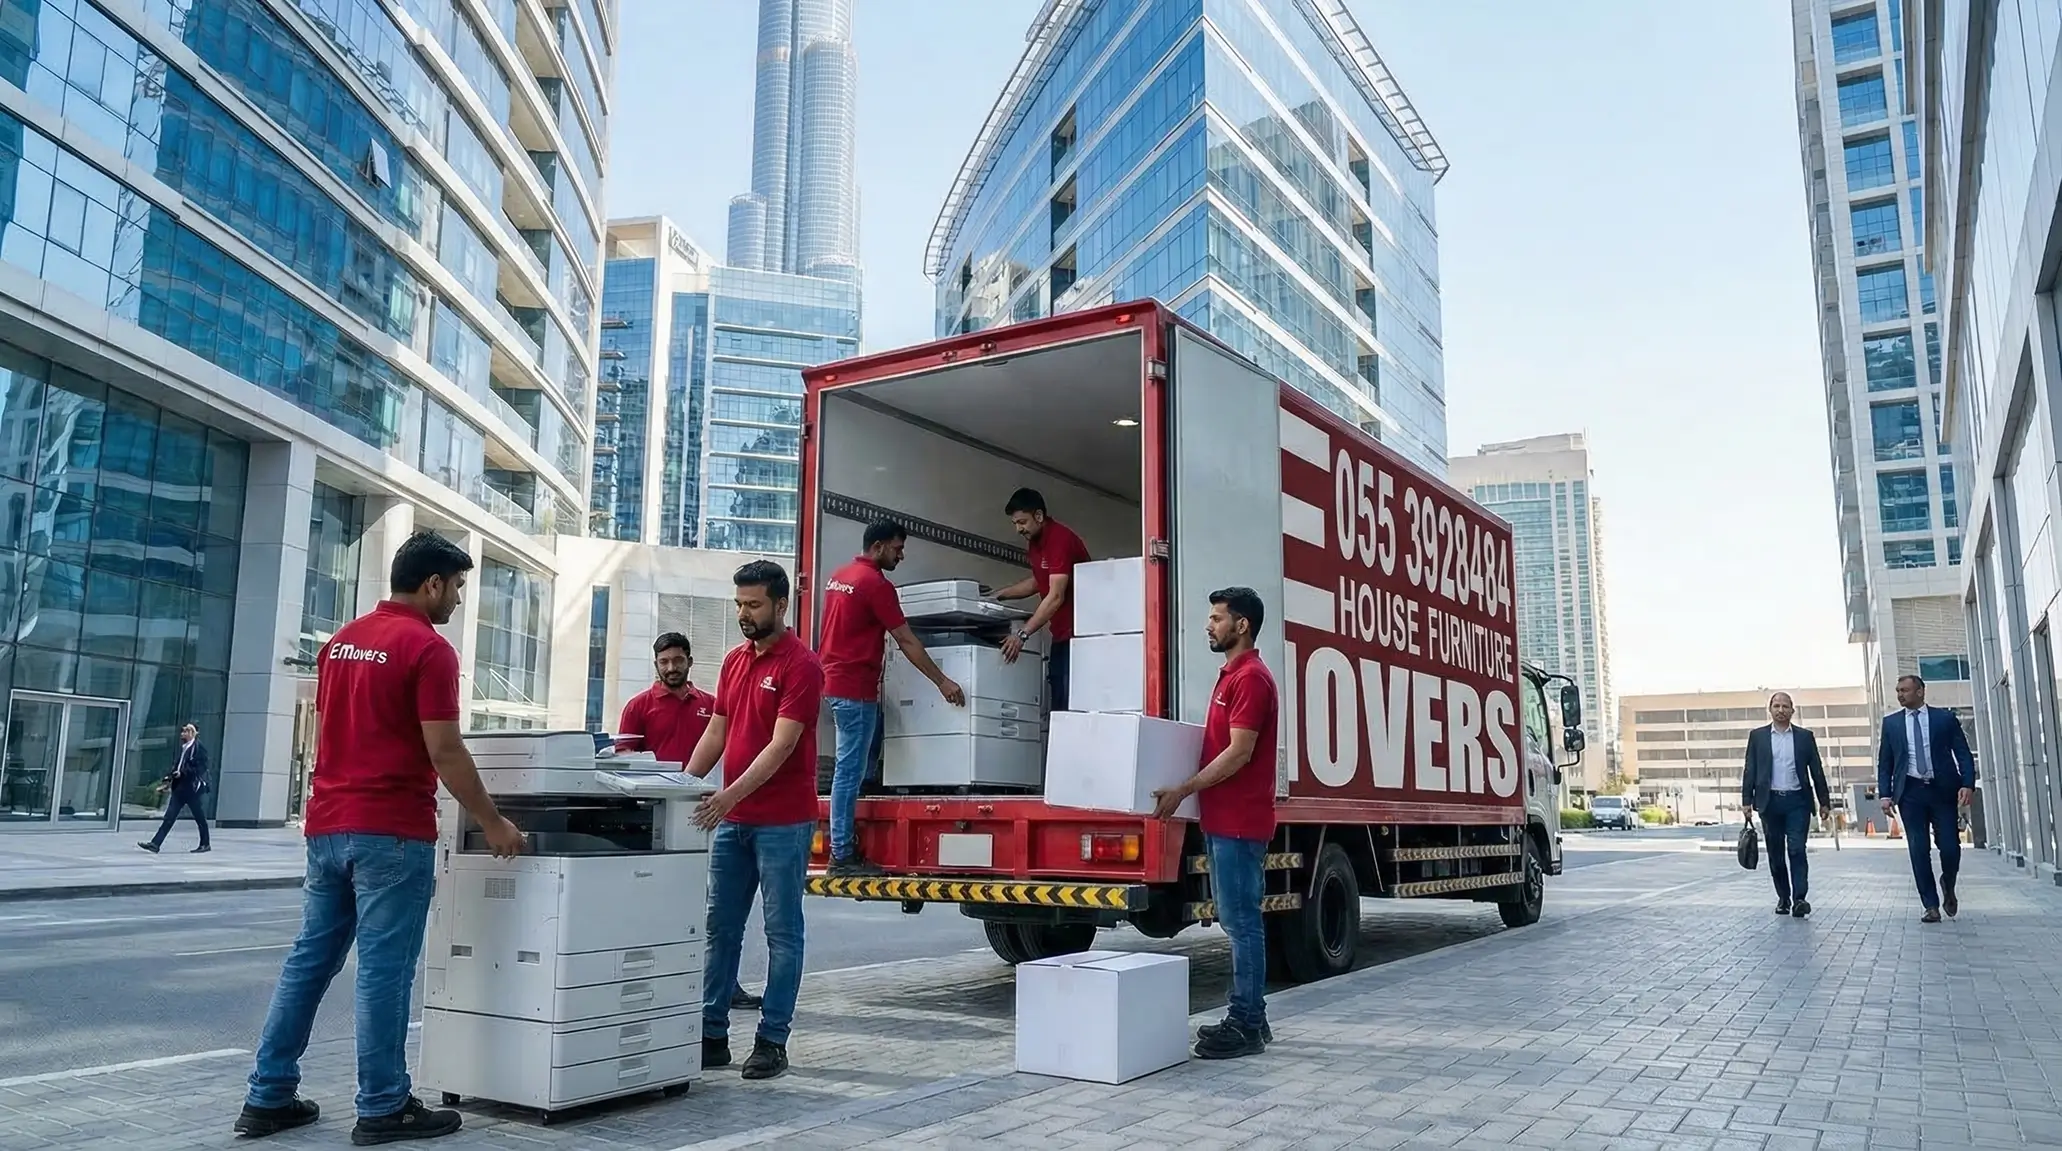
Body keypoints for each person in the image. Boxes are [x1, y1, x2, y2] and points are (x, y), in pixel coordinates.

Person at [235, 532, 527, 1144]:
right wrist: (493, 821)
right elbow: (444, 749)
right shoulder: (428, 648)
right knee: (384, 973)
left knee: (309, 962)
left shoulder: (341, 642)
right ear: (432, 585)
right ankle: (384, 1106)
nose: (457, 600)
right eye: (457, 588)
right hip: (392, 832)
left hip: (328, 826)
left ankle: (267, 1097)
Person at [683, 560, 823, 1082]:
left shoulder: (802, 665)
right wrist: (681, 786)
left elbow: (782, 745)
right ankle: (710, 1034)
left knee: (782, 932)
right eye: (739, 604)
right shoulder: (734, 661)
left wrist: (726, 796)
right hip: (734, 821)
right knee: (720, 928)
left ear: (781, 605)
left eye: (754, 605)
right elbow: (717, 731)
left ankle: (772, 1040)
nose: (744, 614)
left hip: (783, 824)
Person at [1149, 587, 1278, 1059]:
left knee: (1242, 922)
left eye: (1216, 618)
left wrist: (1184, 788)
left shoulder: (1251, 679)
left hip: (1241, 822)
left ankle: (1245, 1023)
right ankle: (1252, 1020)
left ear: (1241, 625)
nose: (1209, 625)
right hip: (1225, 819)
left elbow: (1240, 752)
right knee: (1236, 919)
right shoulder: (1231, 676)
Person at [616, 634, 761, 1012]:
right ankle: (666, 982)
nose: (671, 668)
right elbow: (626, 764)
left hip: (708, 814)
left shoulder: (711, 707)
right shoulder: (638, 707)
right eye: (664, 662)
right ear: (656, 664)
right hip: (657, 819)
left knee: (716, 903)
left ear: (690, 662)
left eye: (677, 660)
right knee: (659, 903)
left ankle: (723, 984)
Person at [819, 520, 964, 876]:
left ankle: (869, 787)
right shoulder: (876, 585)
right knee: (847, 771)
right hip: (853, 688)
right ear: (880, 546)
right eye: (898, 549)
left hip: (833, 681)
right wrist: (942, 681)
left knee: (876, 732)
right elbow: (908, 641)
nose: (902, 555)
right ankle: (842, 853)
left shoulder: (841, 574)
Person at [1877, 674, 1977, 922]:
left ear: (1921, 691)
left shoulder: (1944, 719)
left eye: (1905, 690)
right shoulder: (1892, 724)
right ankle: (1930, 905)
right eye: (1898, 690)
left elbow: (1962, 752)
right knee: (1918, 848)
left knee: (1950, 847)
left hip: (1942, 790)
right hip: (1910, 793)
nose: (1900, 695)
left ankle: (1948, 882)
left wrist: (1967, 783)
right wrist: (1885, 794)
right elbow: (1885, 762)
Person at [994, 488, 1090, 710]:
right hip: (1060, 634)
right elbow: (1039, 581)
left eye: (1022, 522)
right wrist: (998, 595)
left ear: (1038, 516)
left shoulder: (1059, 539)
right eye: (1015, 524)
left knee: (1067, 705)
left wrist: (1021, 635)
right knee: (1057, 700)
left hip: (1078, 636)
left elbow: (1055, 595)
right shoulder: (1035, 542)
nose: (1019, 529)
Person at [1740, 692, 1831, 918]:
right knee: (1776, 853)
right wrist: (1746, 801)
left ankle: (1800, 898)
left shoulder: (1804, 737)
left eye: (1785, 706)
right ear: (1770, 710)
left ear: (1793, 710)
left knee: (1797, 849)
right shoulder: (1758, 737)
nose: (1781, 710)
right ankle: (1783, 897)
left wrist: (1824, 802)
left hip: (1797, 801)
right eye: (1776, 706)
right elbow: (1749, 769)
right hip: (1769, 803)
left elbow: (1817, 771)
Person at [140, 723, 212, 854]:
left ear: (195, 733)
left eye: (188, 730)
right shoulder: (184, 748)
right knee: (169, 817)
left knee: (200, 817)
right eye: (184, 730)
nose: (184, 733)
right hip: (179, 789)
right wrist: (168, 778)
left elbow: (201, 768)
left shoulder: (198, 748)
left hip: (192, 790)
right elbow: (177, 766)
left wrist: (183, 772)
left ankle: (205, 844)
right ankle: (155, 844)